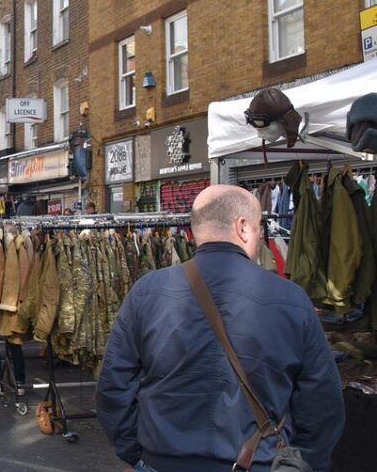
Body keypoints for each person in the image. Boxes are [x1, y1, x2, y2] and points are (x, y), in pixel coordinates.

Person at [96, 185, 344, 472]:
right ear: (243, 228)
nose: (261, 236)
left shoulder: (146, 292)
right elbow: (322, 404)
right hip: (257, 463)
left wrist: (136, 453)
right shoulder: (292, 300)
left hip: (161, 460)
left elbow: (112, 387)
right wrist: (302, 462)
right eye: (259, 228)